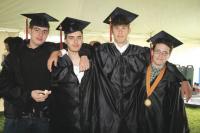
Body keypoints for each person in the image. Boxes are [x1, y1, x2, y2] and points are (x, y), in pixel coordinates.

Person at [48, 7, 191, 133]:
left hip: (133, 114)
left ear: (130, 29)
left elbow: (162, 61)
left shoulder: (141, 53)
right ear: (111, 30)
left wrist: (183, 79)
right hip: (107, 114)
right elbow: (81, 46)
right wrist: (58, 52)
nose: (120, 31)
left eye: (124, 27)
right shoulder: (100, 51)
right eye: (117, 28)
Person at [50, 17, 95, 133]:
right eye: (71, 38)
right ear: (65, 40)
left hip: (89, 123)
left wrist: (85, 55)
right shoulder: (57, 63)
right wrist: (57, 52)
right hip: (64, 123)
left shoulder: (92, 63)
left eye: (79, 37)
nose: (75, 42)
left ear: (83, 39)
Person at [138, 31, 190, 133]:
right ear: (152, 52)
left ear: (169, 55)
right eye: (158, 51)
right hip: (138, 122)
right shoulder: (139, 70)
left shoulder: (172, 79)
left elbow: (176, 113)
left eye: (165, 52)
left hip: (160, 125)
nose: (161, 55)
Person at [1, 36, 24, 133]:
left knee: (11, 125)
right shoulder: (13, 58)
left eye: (7, 45)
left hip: (14, 99)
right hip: (16, 98)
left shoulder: (11, 59)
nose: (6, 48)